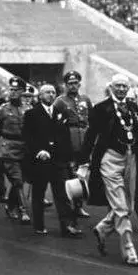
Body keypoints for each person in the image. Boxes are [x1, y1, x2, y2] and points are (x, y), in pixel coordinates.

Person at [77, 74, 138, 267]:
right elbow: (90, 136)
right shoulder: (100, 109)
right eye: (117, 86)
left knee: (128, 205)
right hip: (110, 159)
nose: (121, 89)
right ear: (111, 87)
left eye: (124, 86)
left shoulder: (132, 106)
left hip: (131, 159)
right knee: (120, 207)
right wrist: (83, 163)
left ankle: (103, 228)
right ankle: (129, 249)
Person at [22, 84, 82, 237]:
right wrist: (38, 151)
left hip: (59, 160)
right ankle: (39, 225)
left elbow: (65, 137)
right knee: (39, 194)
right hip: (40, 161)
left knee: (62, 194)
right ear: (40, 96)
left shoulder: (60, 112)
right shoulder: (32, 114)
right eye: (47, 92)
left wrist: (70, 159)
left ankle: (67, 226)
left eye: (53, 92)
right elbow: (28, 138)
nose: (50, 95)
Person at [0, 76, 31, 224]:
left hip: (24, 148)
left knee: (20, 180)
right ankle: (23, 210)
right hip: (8, 149)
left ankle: (10, 205)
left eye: (16, 90)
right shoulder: (3, 110)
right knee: (17, 179)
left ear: (23, 91)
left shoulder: (27, 109)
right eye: (11, 89)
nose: (12, 92)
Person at [53, 70, 92, 219]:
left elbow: (92, 119)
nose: (73, 86)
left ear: (79, 84)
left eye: (75, 83)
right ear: (65, 85)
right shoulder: (60, 101)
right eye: (70, 83)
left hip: (84, 138)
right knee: (71, 174)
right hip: (69, 139)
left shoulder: (85, 99)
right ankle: (72, 205)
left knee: (82, 173)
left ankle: (79, 205)